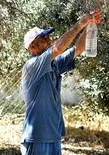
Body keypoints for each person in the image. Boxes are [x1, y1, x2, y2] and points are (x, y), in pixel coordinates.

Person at [20, 10, 102, 155]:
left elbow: (78, 48)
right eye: (43, 38)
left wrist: (89, 25)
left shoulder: (54, 64)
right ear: (32, 47)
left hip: (54, 136)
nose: (48, 40)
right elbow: (58, 48)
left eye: (48, 37)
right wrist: (79, 24)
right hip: (36, 138)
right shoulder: (32, 65)